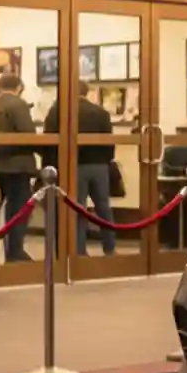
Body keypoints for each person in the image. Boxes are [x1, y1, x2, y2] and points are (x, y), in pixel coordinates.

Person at [43, 81, 119, 256]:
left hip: (73, 166)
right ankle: (110, 247)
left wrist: (52, 167)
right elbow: (109, 142)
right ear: (86, 92)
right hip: (99, 166)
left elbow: (50, 142)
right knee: (104, 208)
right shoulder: (101, 112)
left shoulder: (57, 111)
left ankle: (78, 251)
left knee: (77, 209)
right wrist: (106, 161)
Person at [0, 72, 38, 262]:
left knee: (5, 208)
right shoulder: (18, 104)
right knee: (20, 209)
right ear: (19, 87)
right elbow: (28, 134)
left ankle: (2, 251)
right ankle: (15, 250)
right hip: (18, 165)